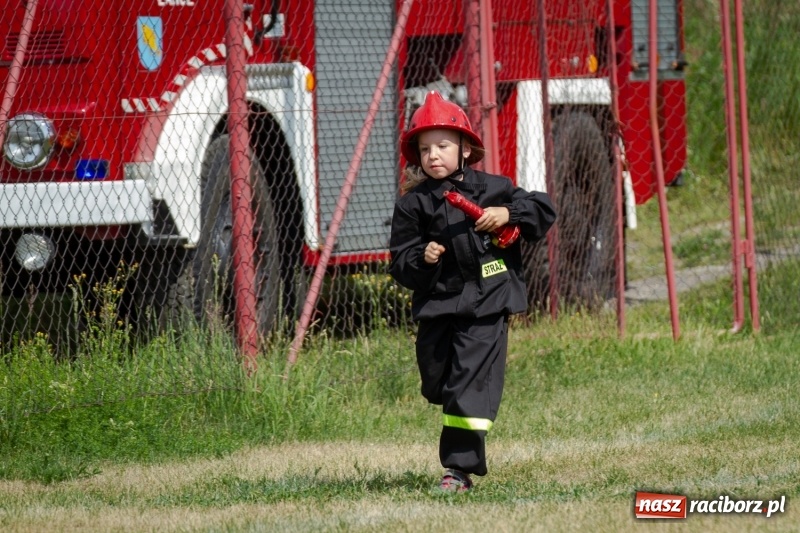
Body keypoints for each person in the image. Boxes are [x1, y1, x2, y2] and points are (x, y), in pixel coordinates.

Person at [389, 91, 556, 492]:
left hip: (488, 301)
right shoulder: (413, 205)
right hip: (439, 306)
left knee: (466, 385)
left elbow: (543, 209)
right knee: (438, 382)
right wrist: (422, 257)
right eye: (425, 149)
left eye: (443, 146)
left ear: (465, 148)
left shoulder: (494, 189)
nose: (433, 156)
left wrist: (508, 213)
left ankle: (458, 469)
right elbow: (399, 261)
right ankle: (456, 409)